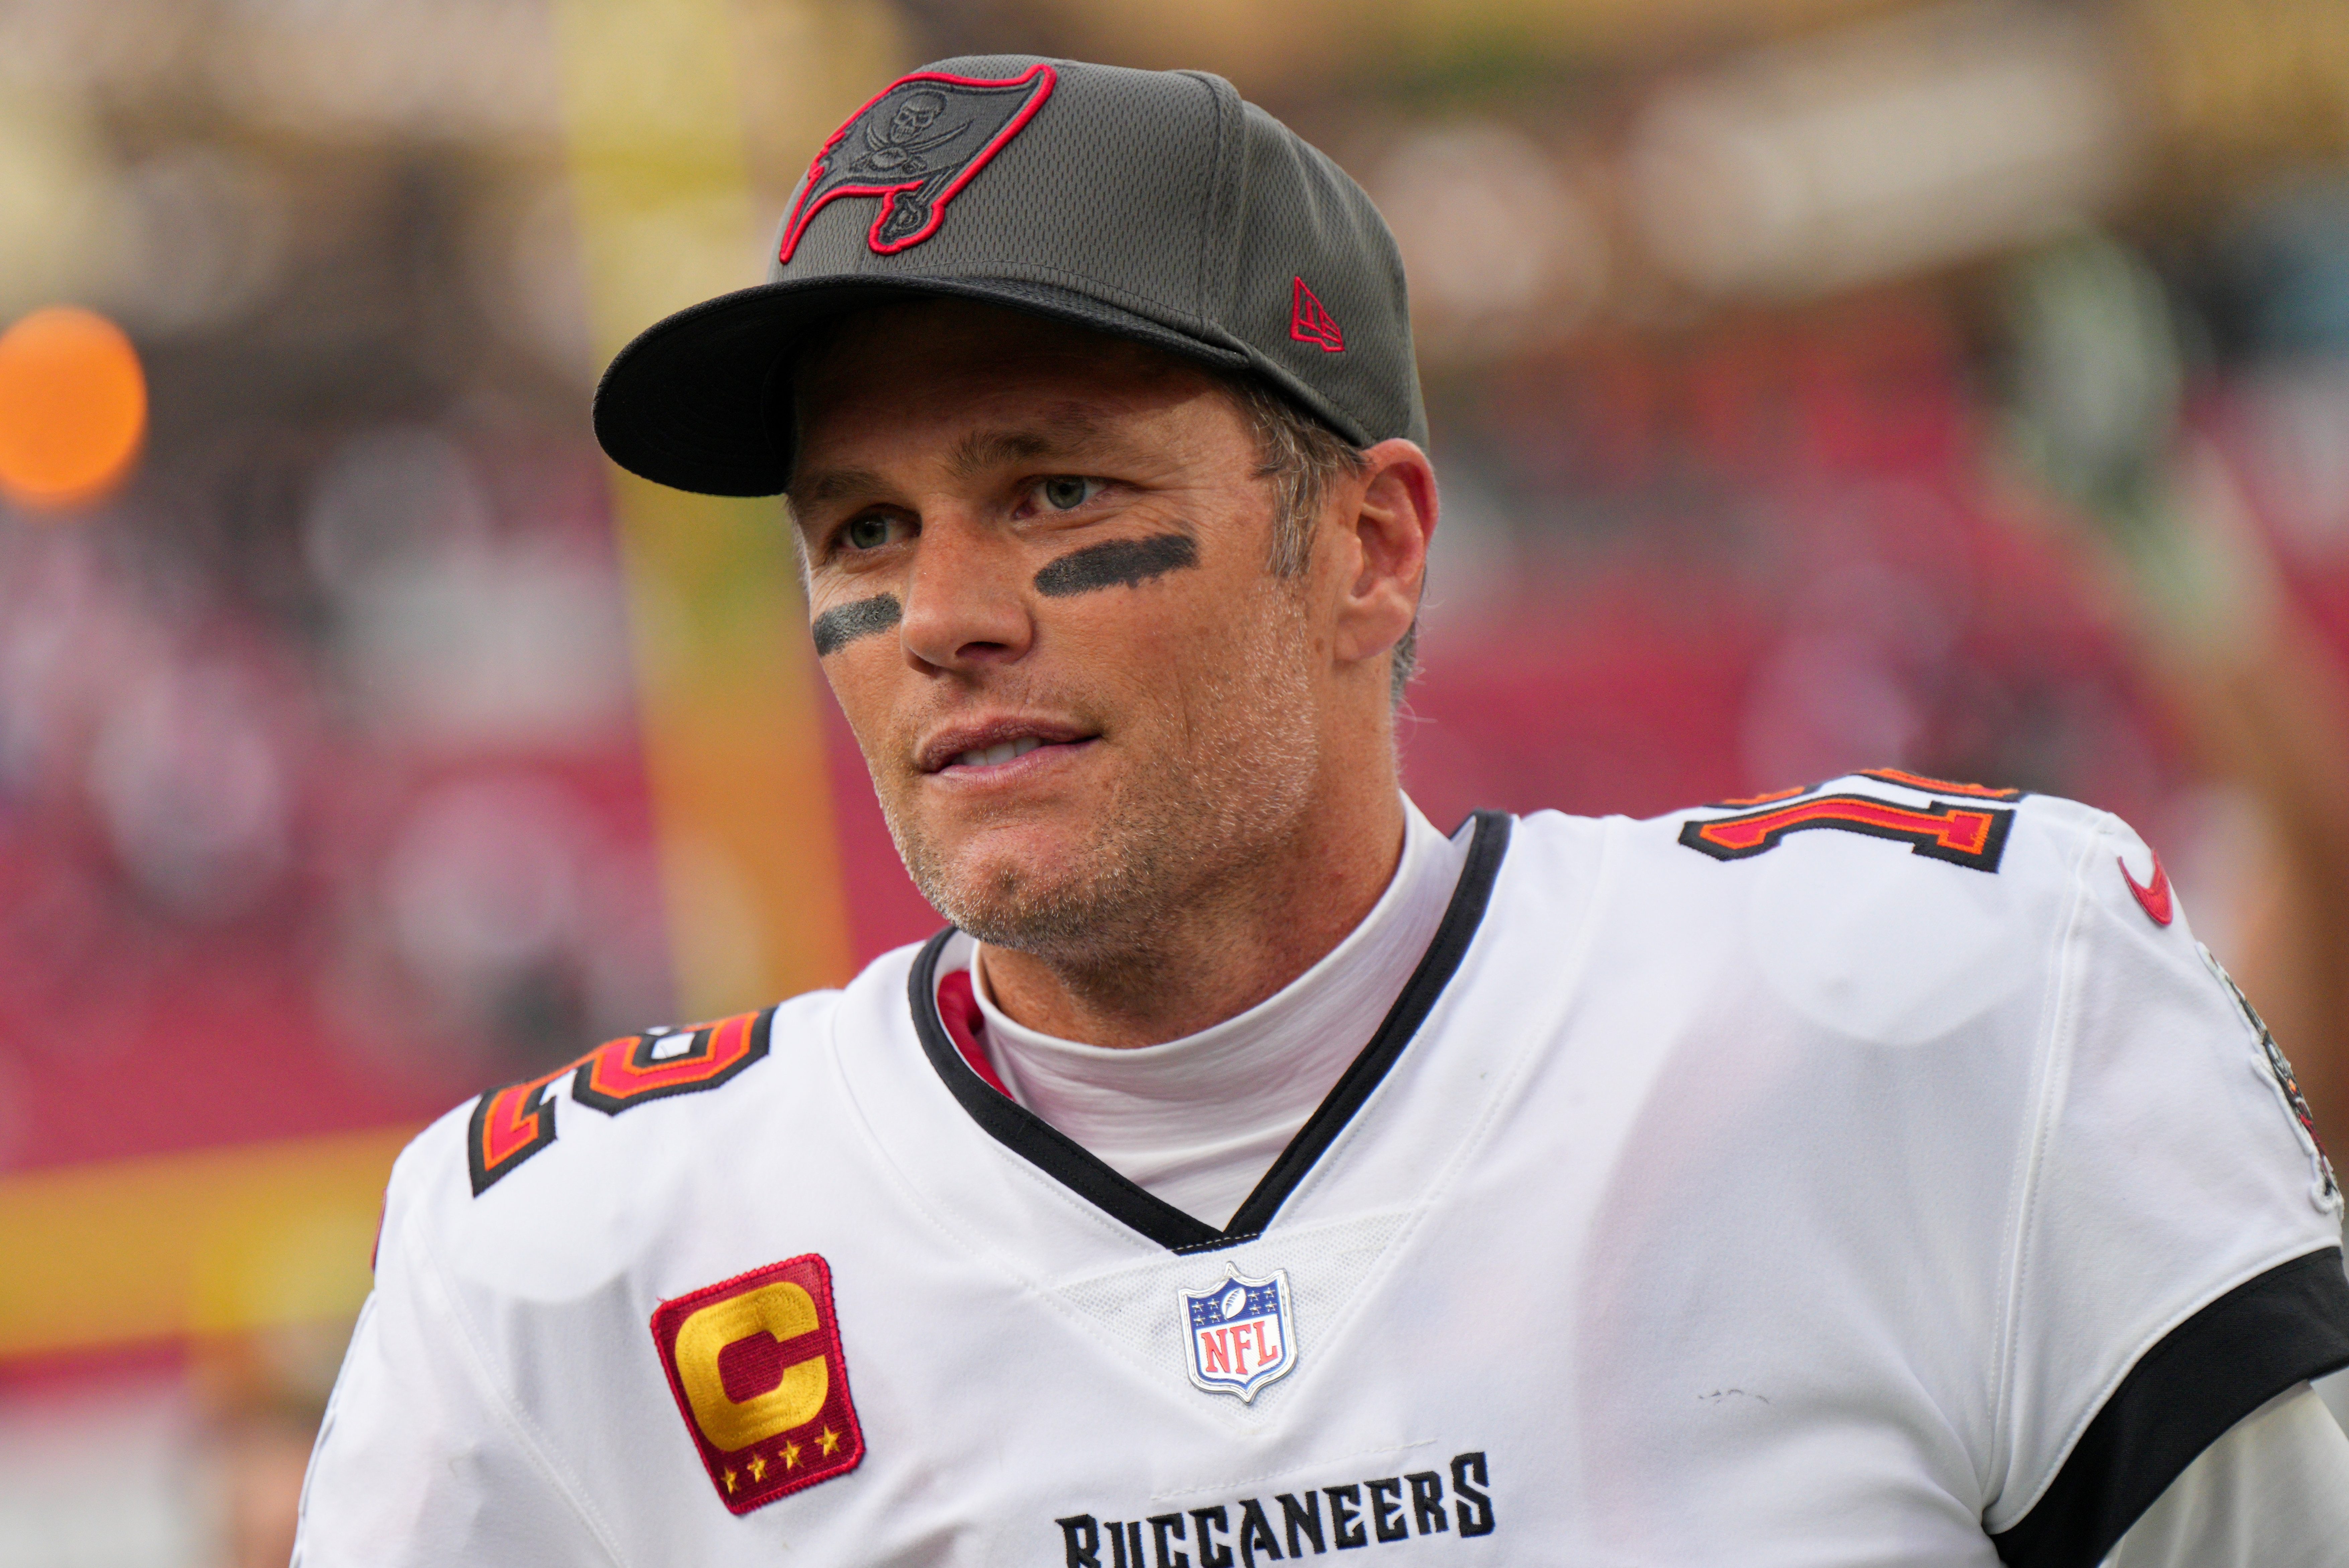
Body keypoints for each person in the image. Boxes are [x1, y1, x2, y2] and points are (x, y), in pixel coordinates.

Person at [292, 56, 2349, 1567]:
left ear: (1368, 545)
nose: (939, 616)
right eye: (865, 526)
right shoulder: (560, 1274)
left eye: (1055, 492)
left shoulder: (1949, 1006)